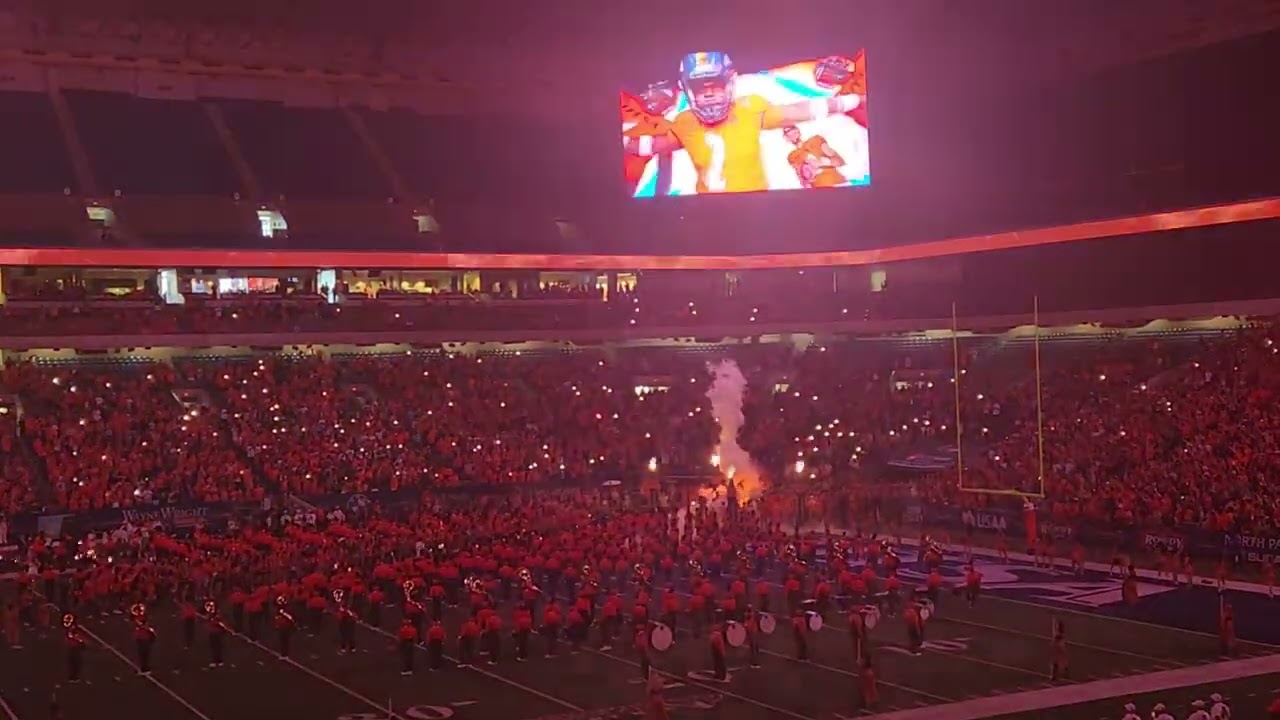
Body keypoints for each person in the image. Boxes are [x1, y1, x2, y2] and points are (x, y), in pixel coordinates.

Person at [622, 51, 863, 194]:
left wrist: (851, 101)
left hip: (756, 209)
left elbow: (798, 111)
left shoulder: (749, 109)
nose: (708, 94)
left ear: (729, 84)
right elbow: (653, 146)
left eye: (714, 85)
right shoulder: (685, 122)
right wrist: (618, 141)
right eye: (699, 88)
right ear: (687, 90)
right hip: (705, 218)